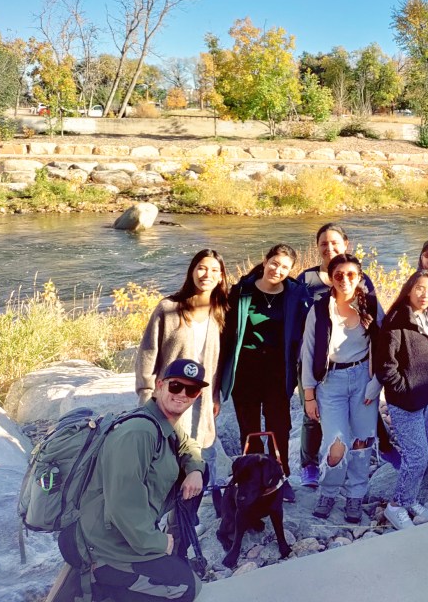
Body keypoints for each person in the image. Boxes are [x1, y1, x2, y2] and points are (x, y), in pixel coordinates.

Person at [79, 359, 207, 602]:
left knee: (203, 469)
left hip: (129, 532)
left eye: (191, 390)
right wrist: (158, 542)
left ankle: (165, 555)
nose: (182, 395)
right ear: (159, 386)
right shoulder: (139, 432)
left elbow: (187, 444)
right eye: (175, 386)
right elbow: (122, 504)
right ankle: (103, 583)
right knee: (185, 588)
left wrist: (195, 470)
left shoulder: (161, 421)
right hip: (110, 543)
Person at [298, 223, 391, 486]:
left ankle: (361, 483)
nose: (345, 280)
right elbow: (302, 330)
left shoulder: (366, 296)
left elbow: (381, 335)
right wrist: (308, 389)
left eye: (334, 242)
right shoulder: (307, 284)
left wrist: (379, 379)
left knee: (363, 435)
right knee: (322, 427)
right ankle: (313, 469)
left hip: (361, 371)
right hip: (323, 367)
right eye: (323, 244)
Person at [218, 244, 311, 503]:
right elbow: (225, 333)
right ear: (265, 260)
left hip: (277, 372)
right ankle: (253, 481)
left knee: (279, 427)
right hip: (245, 371)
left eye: (284, 267)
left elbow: (307, 331)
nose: (277, 270)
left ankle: (281, 479)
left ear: (291, 270)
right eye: (274, 263)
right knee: (249, 430)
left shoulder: (295, 294)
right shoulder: (241, 291)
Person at [135, 249, 229, 487]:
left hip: (202, 394)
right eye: (202, 267)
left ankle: (197, 504)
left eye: (214, 270)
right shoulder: (169, 308)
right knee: (170, 452)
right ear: (192, 270)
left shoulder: (221, 311)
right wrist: (147, 392)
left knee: (203, 450)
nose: (207, 274)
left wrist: (215, 395)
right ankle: (170, 512)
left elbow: (219, 361)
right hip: (171, 392)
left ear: (221, 277)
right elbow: (148, 352)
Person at [302, 253, 380, 524]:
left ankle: (355, 496)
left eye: (351, 275)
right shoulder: (320, 309)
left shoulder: (369, 303)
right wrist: (309, 395)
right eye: (338, 275)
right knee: (336, 446)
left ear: (359, 277)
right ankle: (329, 490)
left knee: (361, 443)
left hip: (362, 380)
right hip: (330, 383)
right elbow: (308, 352)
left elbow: (382, 347)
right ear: (330, 279)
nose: (345, 280)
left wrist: (376, 383)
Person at [374, 270, 428, 529]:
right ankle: (395, 506)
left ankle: (409, 498)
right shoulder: (396, 321)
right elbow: (384, 366)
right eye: (420, 288)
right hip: (406, 402)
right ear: (408, 289)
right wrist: (404, 390)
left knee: (424, 452)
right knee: (416, 456)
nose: (425, 294)